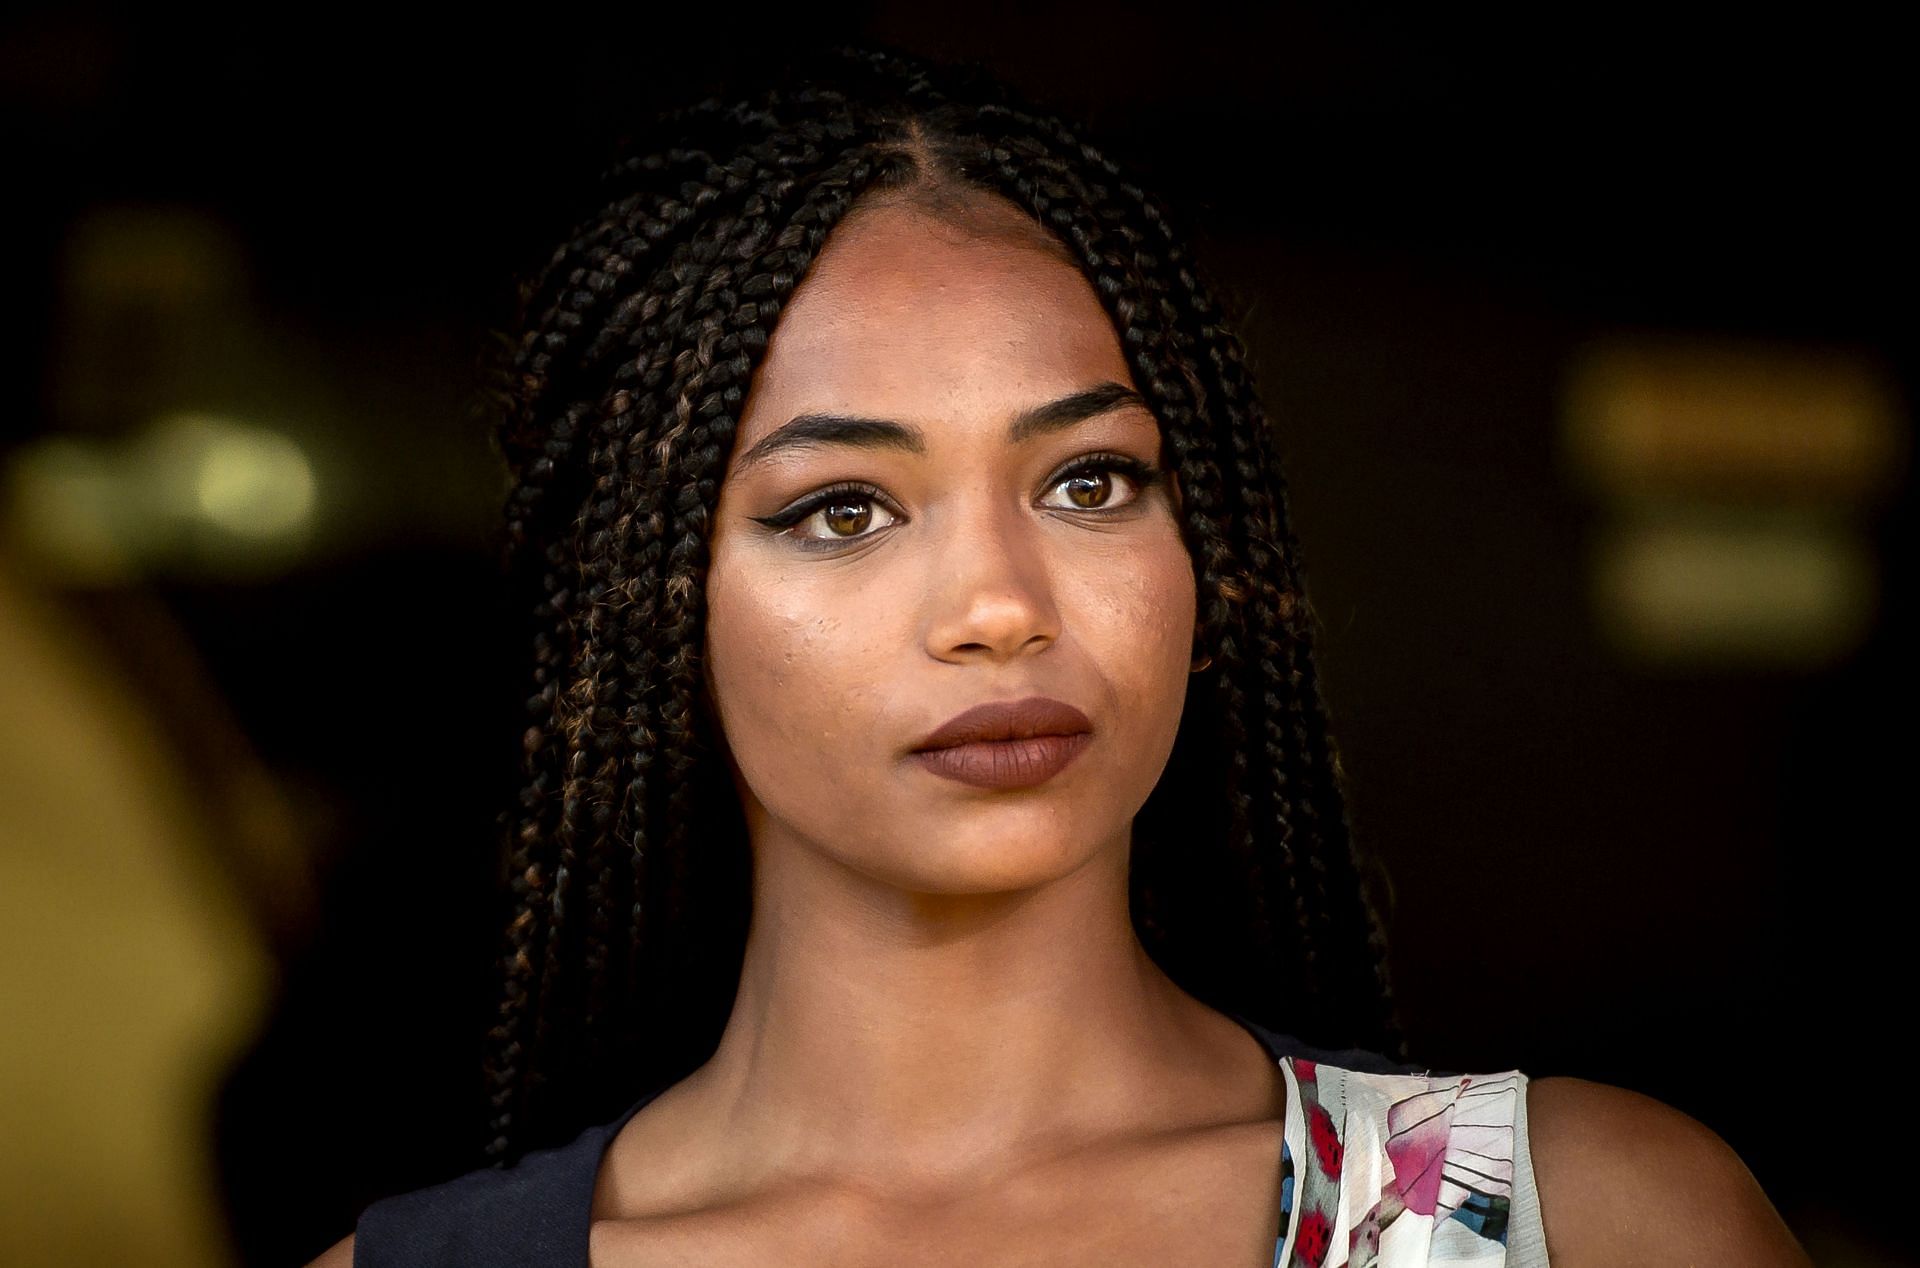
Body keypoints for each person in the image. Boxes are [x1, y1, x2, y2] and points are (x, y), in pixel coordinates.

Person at [312, 45, 1806, 1266]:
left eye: (1089, 482)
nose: (999, 604)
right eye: (842, 509)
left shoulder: (1562, 1221)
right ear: (653, 607)